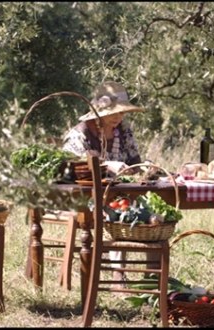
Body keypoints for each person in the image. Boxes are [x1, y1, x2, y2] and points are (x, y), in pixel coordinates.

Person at [62, 81, 155, 287]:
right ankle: (118, 275)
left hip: (119, 195)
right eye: (114, 113)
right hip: (85, 197)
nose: (119, 117)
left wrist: (146, 168)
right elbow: (70, 169)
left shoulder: (124, 132)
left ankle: (153, 276)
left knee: (153, 215)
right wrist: (106, 166)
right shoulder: (80, 134)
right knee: (120, 214)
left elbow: (134, 163)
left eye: (122, 113)